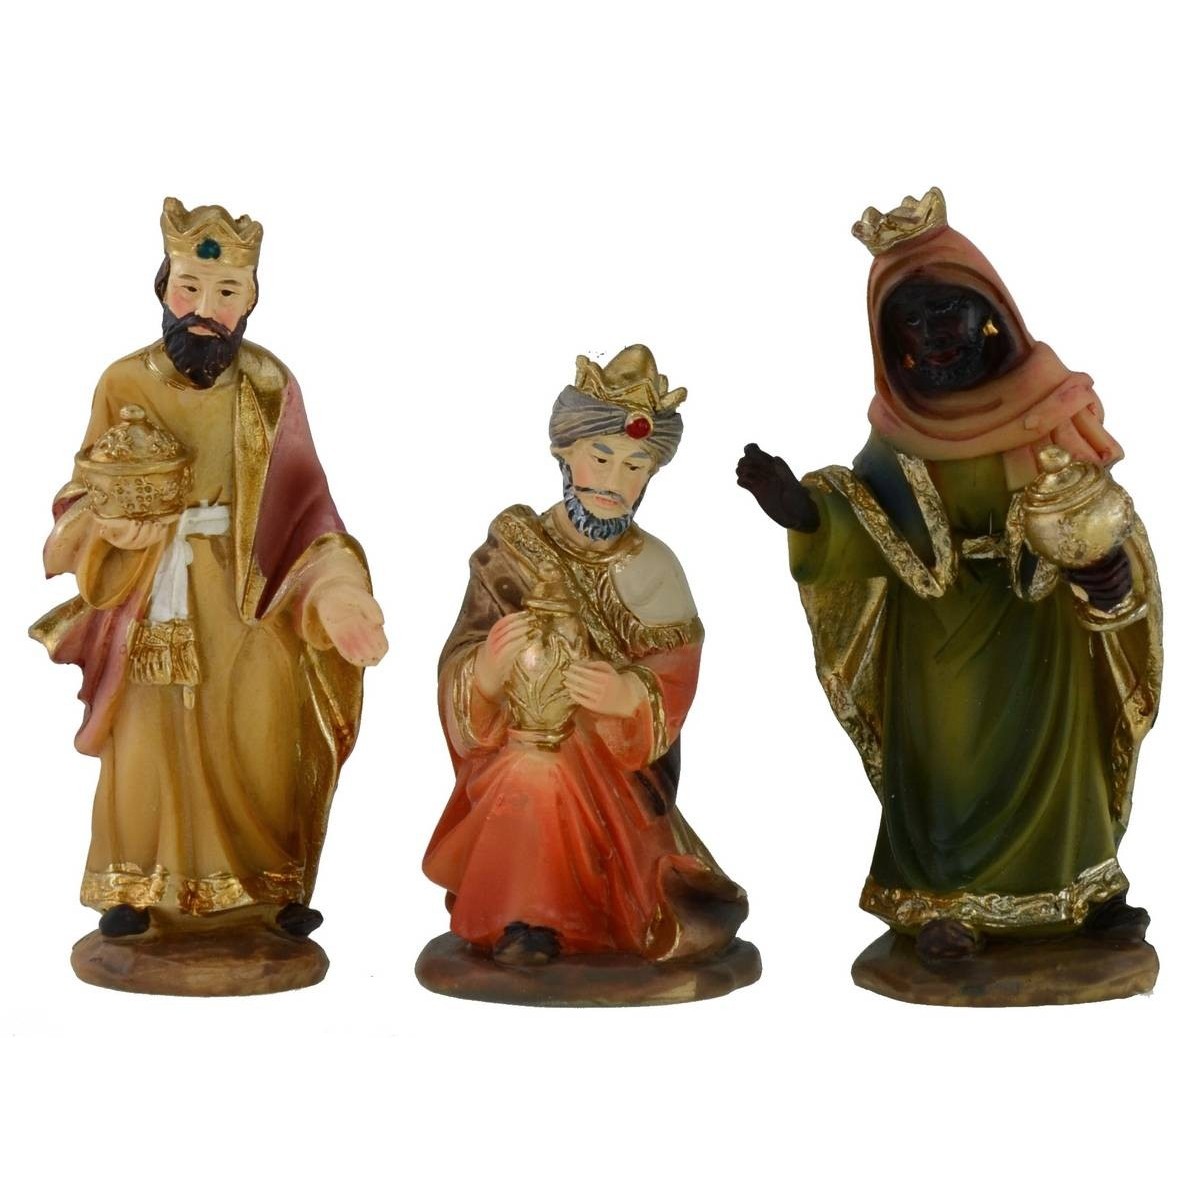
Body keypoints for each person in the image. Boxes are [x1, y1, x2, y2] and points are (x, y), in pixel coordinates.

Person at [738, 189, 1161, 965]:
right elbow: (866, 519)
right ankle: (945, 903)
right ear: (887, 337)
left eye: (947, 313)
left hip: (1040, 630)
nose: (932, 336)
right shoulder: (900, 430)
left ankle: (1083, 890)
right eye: (910, 320)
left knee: (1059, 758)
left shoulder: (1048, 404)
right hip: (938, 643)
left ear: (988, 312)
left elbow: (1098, 508)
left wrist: (1106, 569)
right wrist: (803, 511)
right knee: (946, 767)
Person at [32, 198, 387, 945]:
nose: (205, 309)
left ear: (252, 298)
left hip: (247, 598)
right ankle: (136, 884)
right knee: (147, 741)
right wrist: (108, 526)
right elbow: (81, 490)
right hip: (151, 592)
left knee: (260, 735)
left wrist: (338, 589)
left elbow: (309, 510)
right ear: (163, 287)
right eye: (189, 287)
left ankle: (269, 886)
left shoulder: (269, 385)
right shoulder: (123, 382)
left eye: (227, 292)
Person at [424, 345, 748, 967]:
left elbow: (677, 671)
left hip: (614, 767)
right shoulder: (513, 549)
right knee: (528, 769)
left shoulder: (655, 568)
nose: (614, 483)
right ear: (565, 455)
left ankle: (562, 917)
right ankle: (526, 919)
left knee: (544, 773)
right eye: (601, 458)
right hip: (521, 740)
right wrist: (485, 672)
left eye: (635, 467)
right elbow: (460, 657)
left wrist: (629, 696)